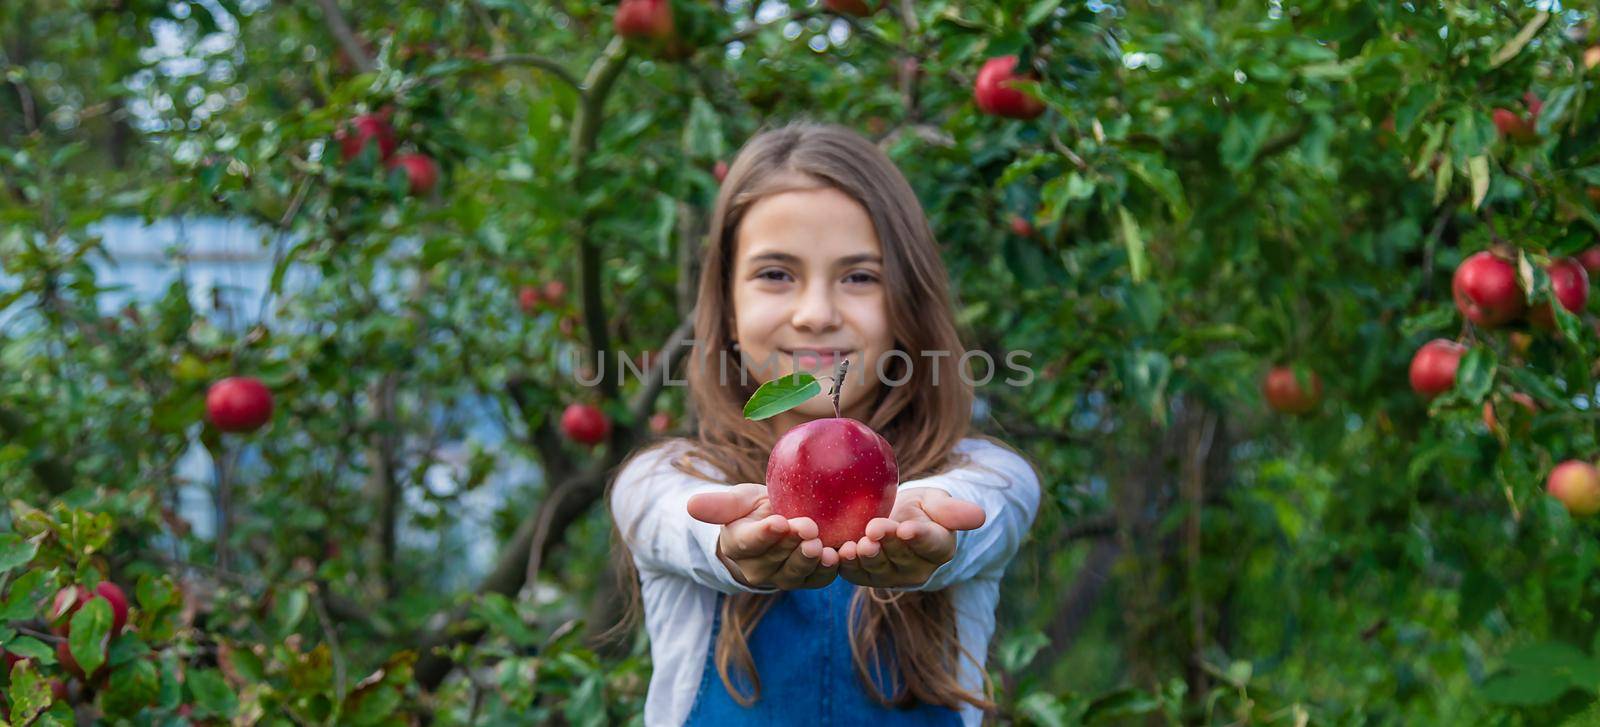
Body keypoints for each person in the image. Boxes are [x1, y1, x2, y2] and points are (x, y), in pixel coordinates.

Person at [608, 121, 1041, 726]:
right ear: (727, 307)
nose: (816, 314)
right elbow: (680, 523)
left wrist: (910, 521)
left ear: (906, 303)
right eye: (776, 274)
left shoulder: (988, 474)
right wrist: (733, 547)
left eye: (860, 277)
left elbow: (977, 514)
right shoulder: (663, 478)